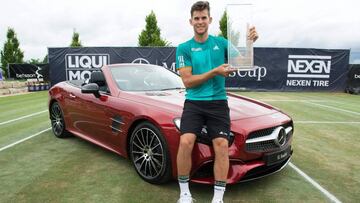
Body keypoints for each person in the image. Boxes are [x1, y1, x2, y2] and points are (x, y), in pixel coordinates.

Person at [175, 1, 258, 203]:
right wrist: (214, 71)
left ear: (210, 20)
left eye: (204, 17)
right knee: (186, 141)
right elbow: (188, 82)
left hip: (218, 103)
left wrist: (249, 43)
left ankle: (218, 198)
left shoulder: (221, 43)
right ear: (190, 21)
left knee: (221, 145)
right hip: (194, 103)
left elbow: (240, 64)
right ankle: (185, 194)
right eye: (197, 18)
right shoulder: (183, 48)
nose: (200, 21)